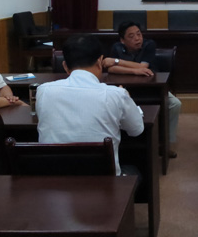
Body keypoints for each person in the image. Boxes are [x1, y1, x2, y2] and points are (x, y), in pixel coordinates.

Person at [36, 34, 144, 176]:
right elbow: (136, 130)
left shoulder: (43, 91)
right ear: (100, 62)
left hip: (55, 180)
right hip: (104, 182)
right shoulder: (116, 94)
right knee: (135, 170)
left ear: (65, 66)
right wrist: (128, 100)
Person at [102, 21, 181, 159]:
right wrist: (134, 70)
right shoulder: (116, 47)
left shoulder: (149, 45)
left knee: (175, 104)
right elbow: (111, 69)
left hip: (151, 88)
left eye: (139, 34)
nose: (137, 38)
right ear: (122, 40)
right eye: (131, 36)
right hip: (125, 89)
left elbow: (142, 67)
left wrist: (117, 61)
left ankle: (165, 144)